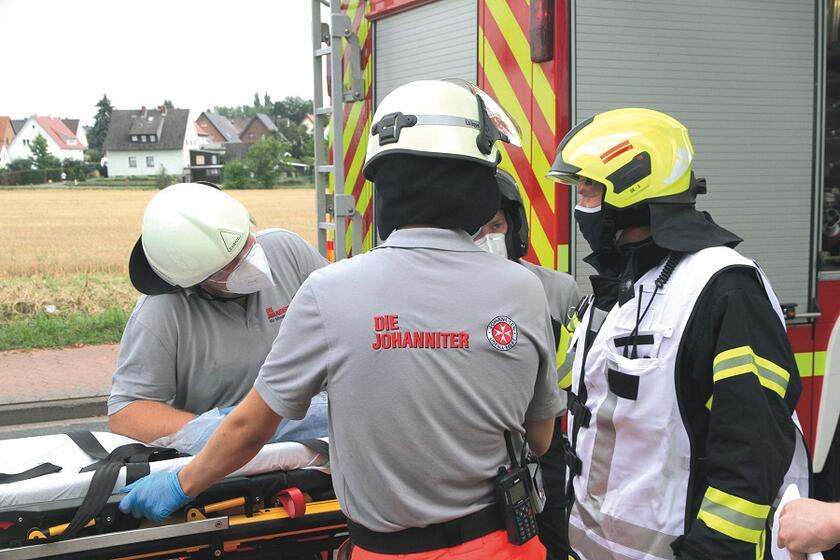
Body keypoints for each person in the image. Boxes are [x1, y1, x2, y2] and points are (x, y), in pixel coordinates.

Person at [119, 79, 564, 560]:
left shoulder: (329, 291)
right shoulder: (527, 290)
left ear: (385, 185)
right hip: (505, 545)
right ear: (479, 185)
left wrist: (181, 485)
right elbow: (539, 437)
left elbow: (250, 429)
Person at [546, 108, 810, 559]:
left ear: (631, 186)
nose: (580, 203)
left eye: (588, 188)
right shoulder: (617, 288)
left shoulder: (722, 288)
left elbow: (750, 455)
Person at [108, 181, 328, 447]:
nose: (250, 262)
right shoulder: (161, 313)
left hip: (316, 444)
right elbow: (127, 413)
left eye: (246, 244)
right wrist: (226, 433)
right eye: (228, 266)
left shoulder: (288, 252)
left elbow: (347, 319)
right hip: (229, 467)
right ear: (194, 280)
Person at [474, 169, 580, 558]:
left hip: (546, 445)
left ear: (515, 225)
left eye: (497, 225)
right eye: (477, 228)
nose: (488, 238)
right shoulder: (452, 296)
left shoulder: (557, 289)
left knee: (553, 543)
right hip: (485, 448)